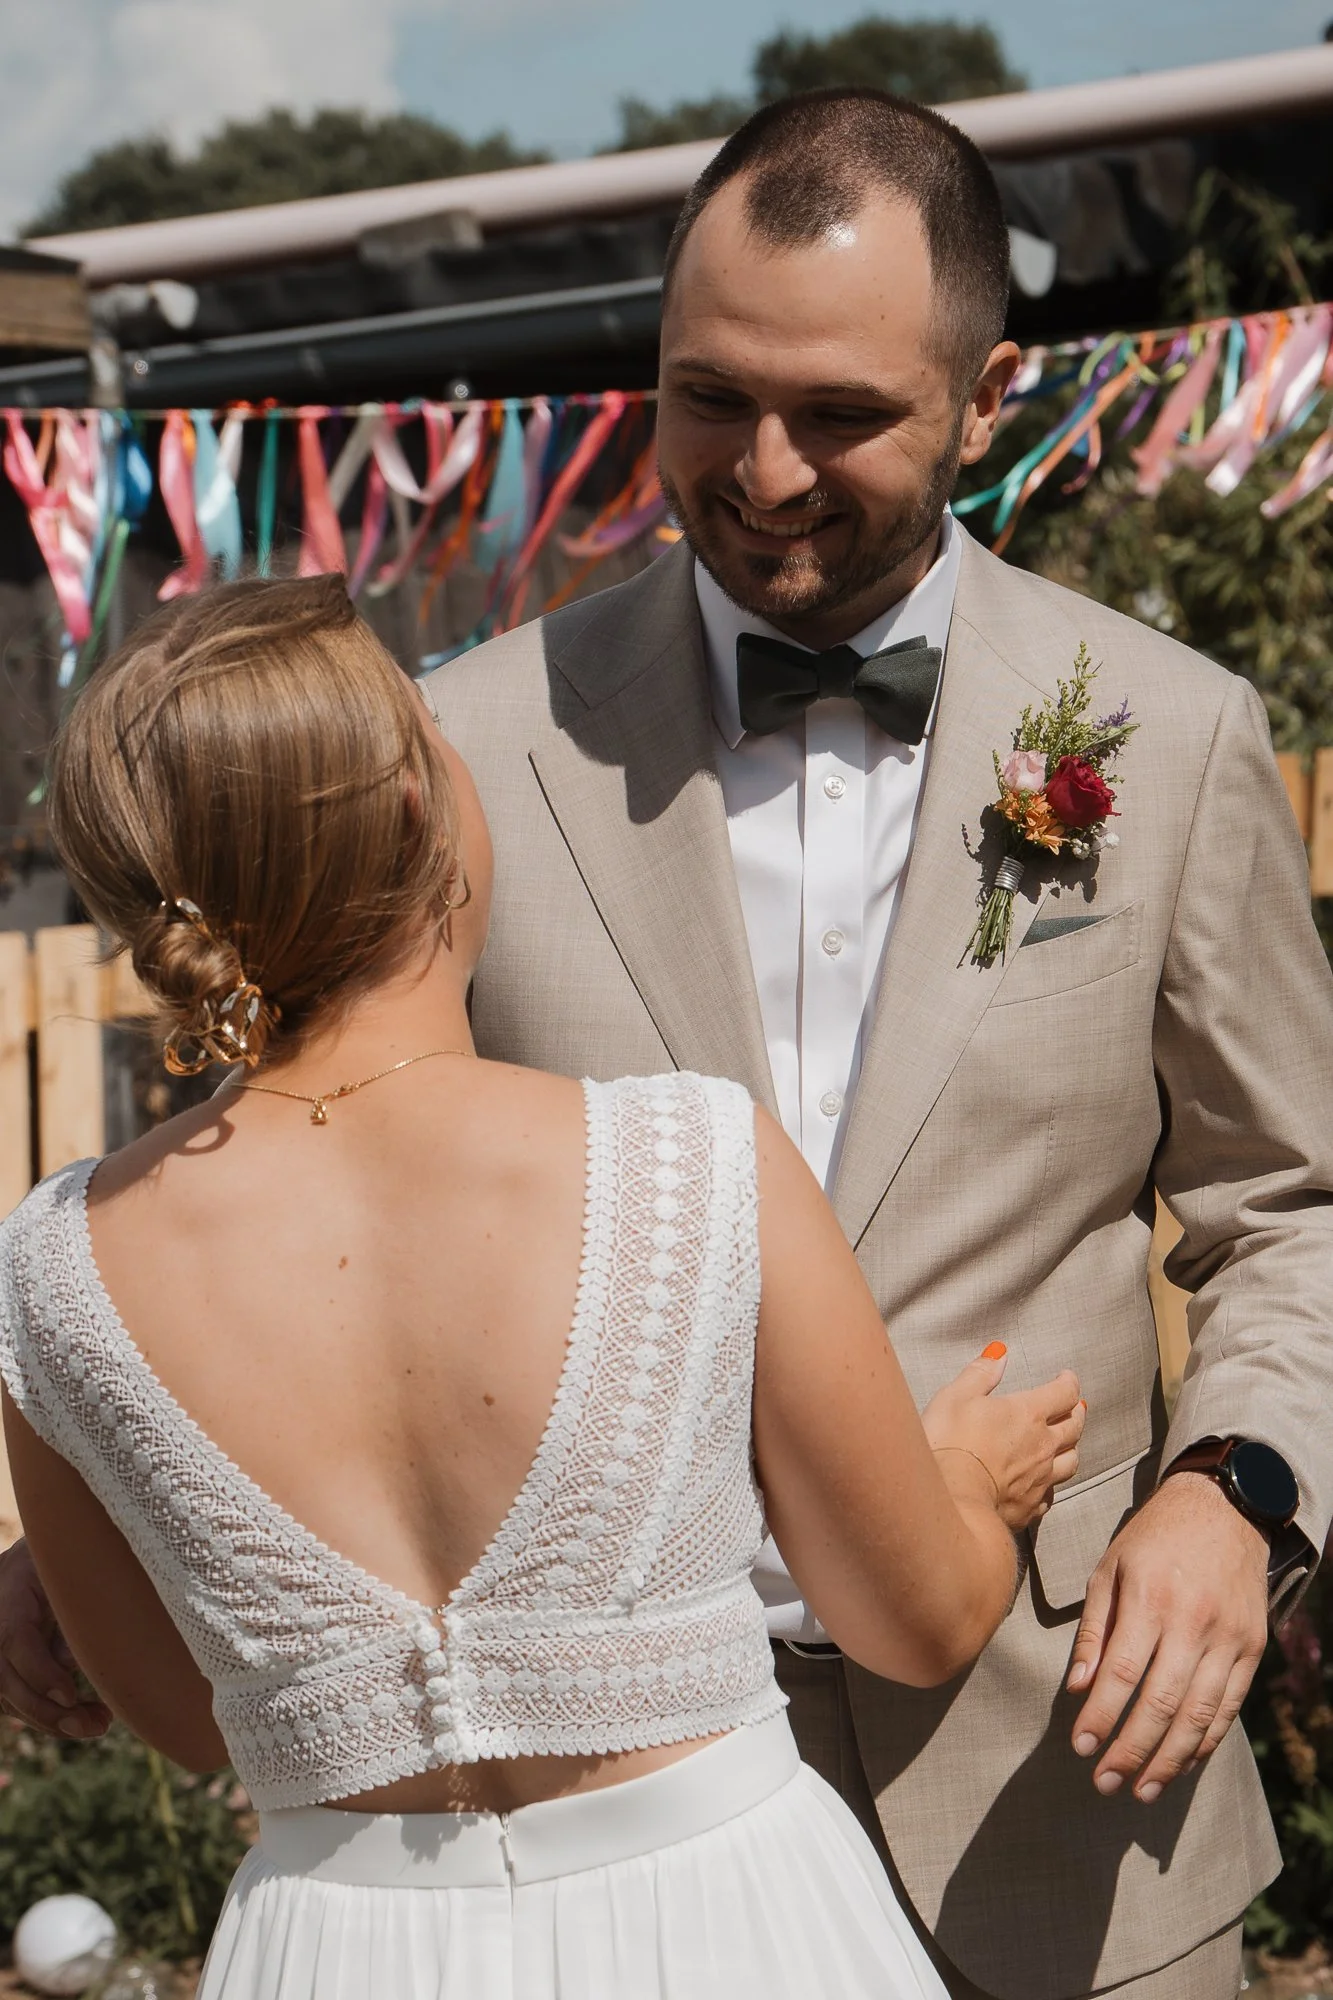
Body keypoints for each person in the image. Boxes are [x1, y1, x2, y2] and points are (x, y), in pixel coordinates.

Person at [405, 91, 1333, 2000]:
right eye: (708, 398)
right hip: (603, 1822)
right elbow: (332, 1196)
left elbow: (1292, 1201)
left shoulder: (1168, 737)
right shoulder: (464, 747)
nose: (763, 473)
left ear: (988, 398)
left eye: (839, 415)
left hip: (1066, 1803)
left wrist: (1235, 1490)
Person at [0, 576, 1082, 1999]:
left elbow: (191, 1721)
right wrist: (972, 1483)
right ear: (416, 805)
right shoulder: (686, 1162)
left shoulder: (57, 1270)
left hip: (337, 1947)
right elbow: (918, 1620)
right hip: (727, 1927)